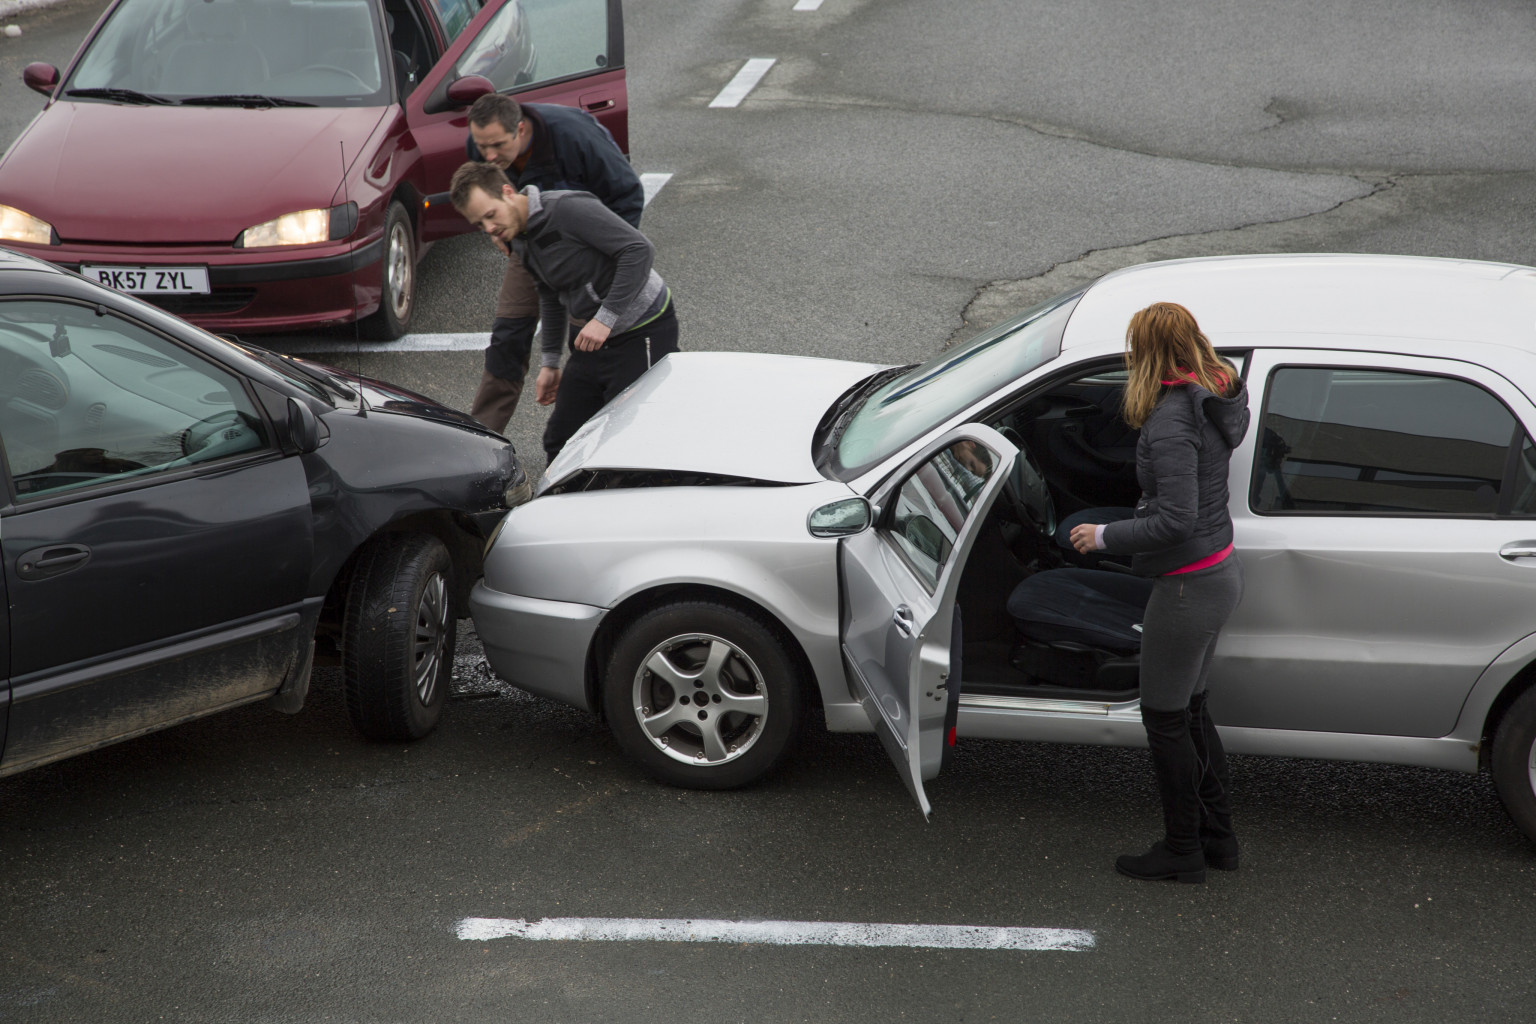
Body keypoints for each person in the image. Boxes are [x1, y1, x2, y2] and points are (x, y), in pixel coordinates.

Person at [1067, 302, 1250, 884]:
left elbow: (1175, 519)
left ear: (1146, 352)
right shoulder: (1213, 397)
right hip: (1216, 574)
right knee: (1192, 713)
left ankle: (1181, 851)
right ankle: (1218, 840)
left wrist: (1104, 537)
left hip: (1186, 588)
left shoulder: (1173, 420)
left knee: (1165, 718)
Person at [449, 161, 679, 463]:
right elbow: (549, 292)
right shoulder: (519, 236)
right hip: (592, 337)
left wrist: (605, 318)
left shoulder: (567, 209)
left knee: (627, 436)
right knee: (561, 438)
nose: (490, 229)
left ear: (507, 192)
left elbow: (639, 250)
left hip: (642, 327)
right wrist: (551, 362)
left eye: (490, 215)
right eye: (480, 224)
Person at [463, 93, 644, 434]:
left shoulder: (575, 137)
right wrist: (499, 234)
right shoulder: (484, 145)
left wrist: (604, 262)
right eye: (481, 146)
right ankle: (481, 441)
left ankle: (605, 441)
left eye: (498, 145)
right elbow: (482, 193)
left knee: (589, 347)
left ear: (520, 129)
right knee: (507, 338)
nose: (488, 156)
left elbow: (628, 195)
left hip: (585, 250)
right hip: (529, 247)